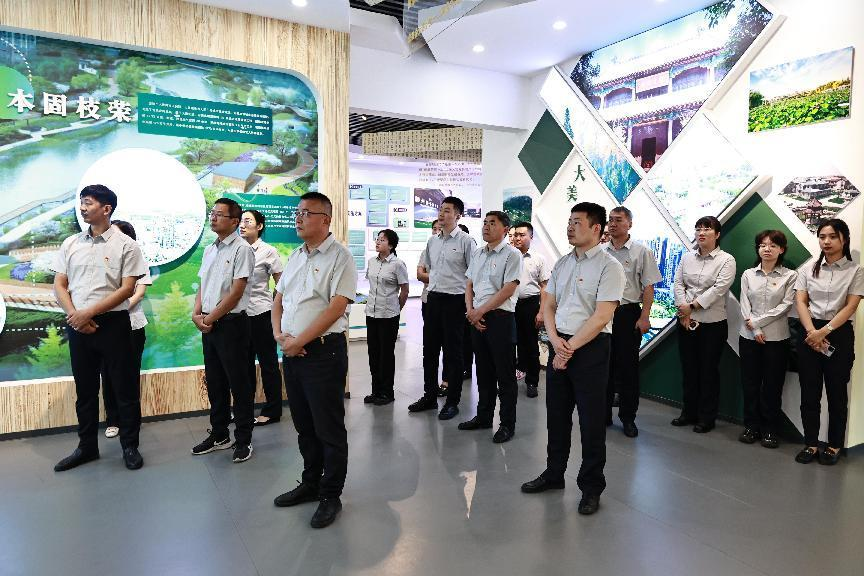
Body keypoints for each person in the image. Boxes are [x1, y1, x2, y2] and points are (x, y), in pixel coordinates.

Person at [521, 202, 625, 516]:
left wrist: (568, 349)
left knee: (591, 422)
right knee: (556, 416)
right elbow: (549, 305)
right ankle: (554, 473)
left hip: (591, 348)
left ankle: (591, 487)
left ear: (596, 228)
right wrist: (555, 343)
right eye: (569, 221)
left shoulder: (609, 267)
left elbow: (602, 316)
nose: (570, 227)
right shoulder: (564, 263)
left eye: (577, 222)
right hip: (560, 344)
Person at [272, 192, 357, 529]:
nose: (299, 217)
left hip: (323, 353)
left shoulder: (341, 257)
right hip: (293, 352)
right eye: (298, 212)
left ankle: (330, 494)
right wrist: (280, 336)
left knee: (328, 428)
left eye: (306, 212)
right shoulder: (295, 256)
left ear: (326, 219)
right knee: (304, 426)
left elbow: (337, 307)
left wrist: (299, 341)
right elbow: (279, 299)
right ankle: (311, 482)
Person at [51, 184, 147, 472]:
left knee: (124, 389)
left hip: (114, 324)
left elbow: (127, 289)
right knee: (85, 390)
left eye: (89, 202)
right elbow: (59, 284)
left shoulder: (127, 245)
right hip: (77, 324)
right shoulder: (71, 243)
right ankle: (86, 447)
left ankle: (130, 446)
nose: (82, 208)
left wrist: (88, 313)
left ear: (106, 209)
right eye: (82, 202)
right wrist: (75, 315)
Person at [190, 198, 256, 463]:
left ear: (234, 221)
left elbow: (236, 292)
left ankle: (243, 439)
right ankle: (219, 434)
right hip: (210, 324)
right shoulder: (210, 249)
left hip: (232, 325)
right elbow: (202, 285)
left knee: (239, 385)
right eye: (212, 213)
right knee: (215, 383)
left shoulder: (242, 249)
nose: (213, 218)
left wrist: (209, 318)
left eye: (219, 214)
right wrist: (197, 313)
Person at [794, 219, 863, 465]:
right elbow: (801, 301)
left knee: (836, 395)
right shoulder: (808, 269)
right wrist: (812, 331)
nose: (826, 241)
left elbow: (851, 306)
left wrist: (824, 331)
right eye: (822, 236)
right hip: (809, 332)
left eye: (832, 236)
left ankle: (834, 445)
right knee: (809, 393)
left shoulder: (856, 270)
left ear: (844, 239)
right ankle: (811, 444)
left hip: (839, 334)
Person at [459, 211, 522, 442]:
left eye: (492, 223)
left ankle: (507, 424)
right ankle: (484, 416)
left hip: (500, 319)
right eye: (485, 222)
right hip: (477, 318)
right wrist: (471, 311)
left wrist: (480, 311)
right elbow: (469, 284)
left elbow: (509, 288)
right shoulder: (478, 253)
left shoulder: (512, 254)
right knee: (483, 371)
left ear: (505, 229)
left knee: (505, 375)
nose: (486, 226)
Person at [409, 197, 475, 420]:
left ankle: (452, 401)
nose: (441, 214)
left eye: (447, 210)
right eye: (440, 209)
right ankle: (429, 396)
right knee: (429, 350)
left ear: (458, 215)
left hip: (455, 301)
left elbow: (473, 276)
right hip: (434, 299)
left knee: (453, 353)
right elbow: (428, 269)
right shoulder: (433, 241)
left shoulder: (467, 241)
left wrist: (470, 306)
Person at [672, 216, 736, 433]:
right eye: (698, 229)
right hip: (685, 320)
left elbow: (719, 289)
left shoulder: (726, 260)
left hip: (712, 324)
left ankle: (707, 417)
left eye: (706, 229)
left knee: (708, 371)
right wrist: (683, 309)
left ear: (717, 234)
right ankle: (688, 412)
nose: (701, 233)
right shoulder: (687, 257)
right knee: (689, 369)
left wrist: (691, 307)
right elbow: (678, 283)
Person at [603, 207, 661, 438]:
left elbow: (648, 286)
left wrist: (644, 316)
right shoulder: (601, 251)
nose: (613, 224)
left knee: (628, 369)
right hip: (603, 314)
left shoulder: (641, 251)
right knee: (603, 366)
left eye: (618, 220)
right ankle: (603, 414)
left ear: (630, 224)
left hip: (628, 314)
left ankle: (628, 418)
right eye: (610, 220)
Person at [738, 230, 797, 449]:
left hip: (777, 339)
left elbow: (786, 306)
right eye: (763, 245)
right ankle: (751, 426)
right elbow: (745, 303)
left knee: (772, 386)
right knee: (750, 384)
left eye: (773, 245)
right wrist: (754, 329)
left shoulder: (790, 276)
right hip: (748, 337)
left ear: (782, 249)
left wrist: (757, 323)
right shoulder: (748, 274)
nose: (767, 249)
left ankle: (770, 429)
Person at [101, 220, 151, 440]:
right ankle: (112, 420)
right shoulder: (103, 261)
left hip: (132, 325)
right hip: (107, 327)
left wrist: (114, 310)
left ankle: (130, 421)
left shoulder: (138, 259)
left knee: (129, 375)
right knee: (107, 374)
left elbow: (138, 293)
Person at [238, 210, 284, 426]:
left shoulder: (268, 251)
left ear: (259, 226)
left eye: (248, 221)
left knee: (268, 364)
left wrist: (274, 306)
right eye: (241, 221)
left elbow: (281, 283)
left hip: (261, 313)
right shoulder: (236, 249)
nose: (242, 225)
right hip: (239, 315)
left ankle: (273, 410)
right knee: (243, 365)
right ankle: (244, 410)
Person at [364, 229, 409, 405]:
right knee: (373, 353)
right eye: (377, 239)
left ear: (391, 245)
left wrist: (397, 308)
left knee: (386, 355)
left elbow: (404, 290)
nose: (378, 242)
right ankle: (376, 391)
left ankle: (387, 393)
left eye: (382, 240)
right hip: (371, 313)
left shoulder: (398, 264)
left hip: (389, 315)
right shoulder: (371, 262)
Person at [511, 221, 550, 398]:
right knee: (509, 344)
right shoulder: (508, 256)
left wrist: (541, 312)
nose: (517, 238)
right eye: (515, 235)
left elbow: (544, 287)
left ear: (531, 237)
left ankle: (532, 382)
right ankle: (508, 380)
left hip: (530, 305)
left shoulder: (538, 259)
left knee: (530, 344)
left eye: (522, 235)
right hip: (509, 304)